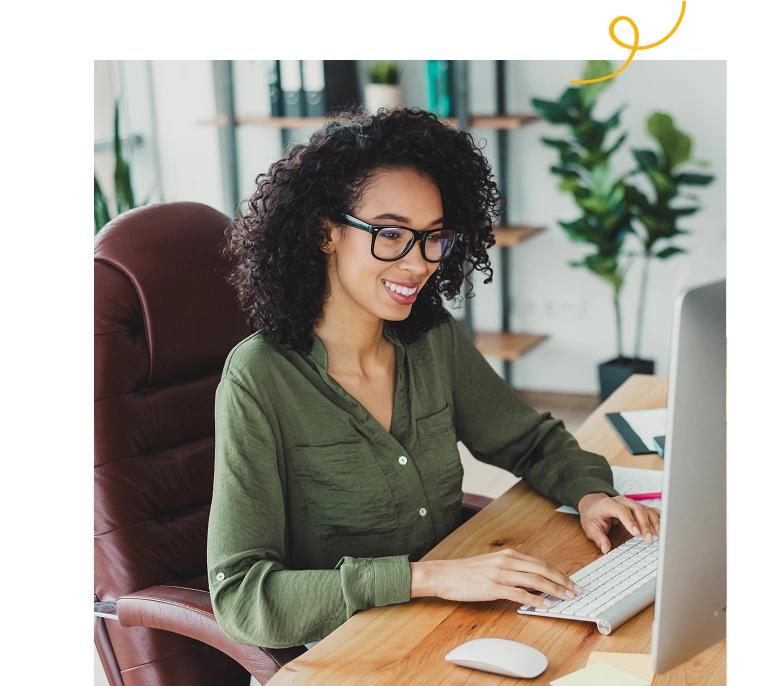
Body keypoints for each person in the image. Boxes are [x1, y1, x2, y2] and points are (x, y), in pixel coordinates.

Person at [207, 107, 661, 652]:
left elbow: (529, 440)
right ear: (326, 232)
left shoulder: (430, 339)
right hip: (354, 650)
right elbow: (241, 598)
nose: (419, 263)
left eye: (432, 237)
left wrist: (589, 493)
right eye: (391, 234)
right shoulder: (260, 378)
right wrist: (428, 577)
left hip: (454, 623)